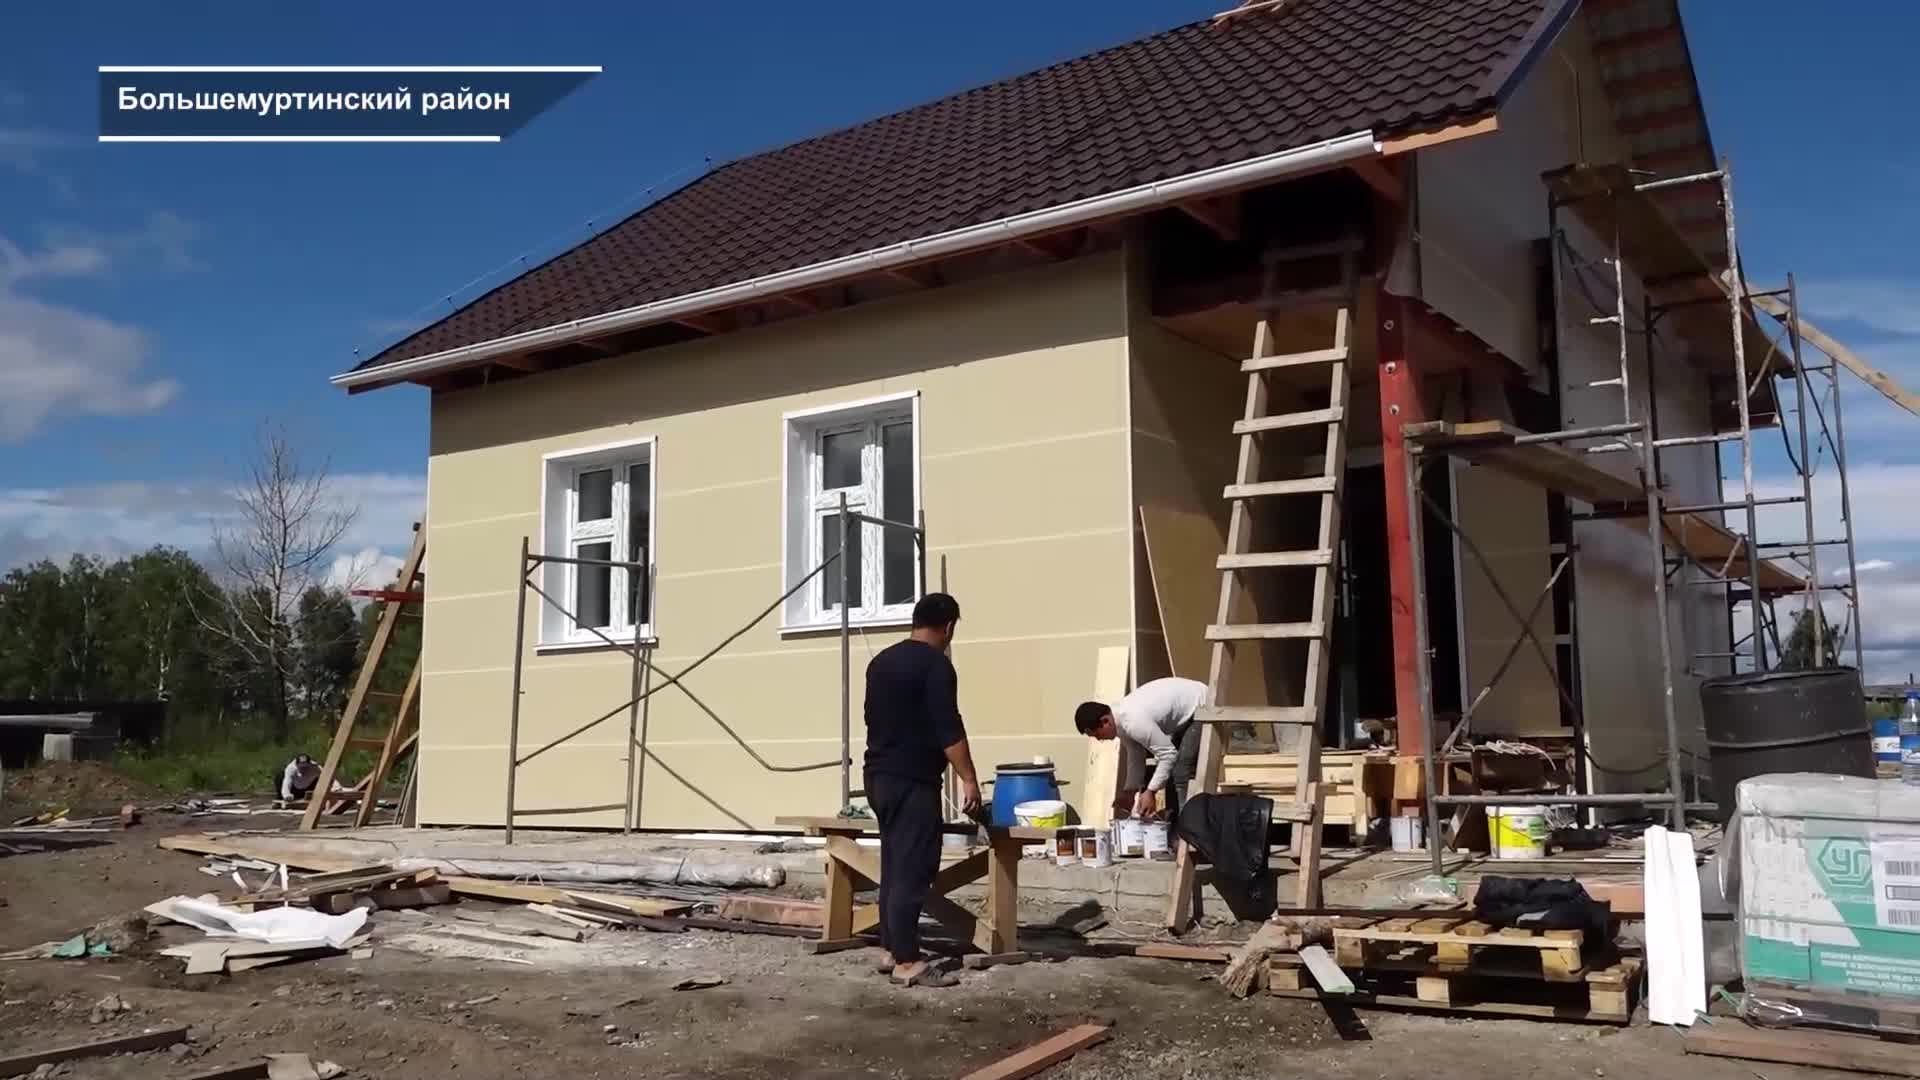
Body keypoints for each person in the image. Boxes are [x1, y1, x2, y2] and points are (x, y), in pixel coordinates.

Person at [863, 592, 980, 988]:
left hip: (878, 776)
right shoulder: (936, 666)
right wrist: (968, 777)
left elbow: (871, 717)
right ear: (948, 627)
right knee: (914, 867)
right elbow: (949, 727)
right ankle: (908, 962)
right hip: (912, 780)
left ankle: (892, 948)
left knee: (894, 863)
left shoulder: (880, 662)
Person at [1074, 676, 1209, 820]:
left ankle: (1188, 829)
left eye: (1096, 735)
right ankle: (1175, 826)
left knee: (1181, 771)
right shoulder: (1120, 722)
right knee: (1171, 773)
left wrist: (1150, 791)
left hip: (1202, 705)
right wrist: (1130, 791)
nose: (1099, 740)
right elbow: (1136, 754)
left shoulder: (1132, 721)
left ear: (1105, 721)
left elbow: (1168, 754)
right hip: (1187, 711)